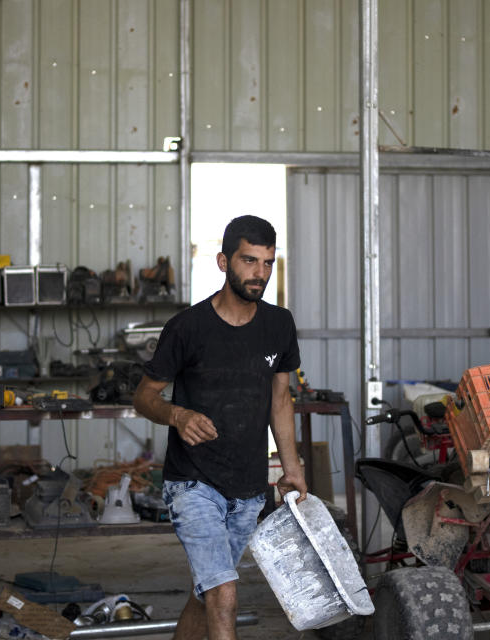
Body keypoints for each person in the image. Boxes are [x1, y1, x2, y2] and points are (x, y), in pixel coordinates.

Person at [133, 215, 307, 640]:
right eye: (249, 261)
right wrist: (178, 414)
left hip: (247, 487)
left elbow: (280, 400)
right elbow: (143, 396)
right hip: (193, 484)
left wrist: (292, 467)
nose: (259, 273)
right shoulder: (187, 328)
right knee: (224, 591)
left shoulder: (279, 324)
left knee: (206, 590)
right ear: (223, 261)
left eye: (267, 263)